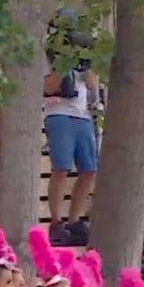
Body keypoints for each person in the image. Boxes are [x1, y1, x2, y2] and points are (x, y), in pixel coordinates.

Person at [43, 51, 99, 246]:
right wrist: (63, 65)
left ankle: (74, 220)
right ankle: (56, 222)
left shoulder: (83, 59)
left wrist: (84, 66)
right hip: (59, 113)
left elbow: (92, 84)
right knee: (61, 168)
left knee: (89, 170)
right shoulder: (49, 59)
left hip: (82, 116)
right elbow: (49, 87)